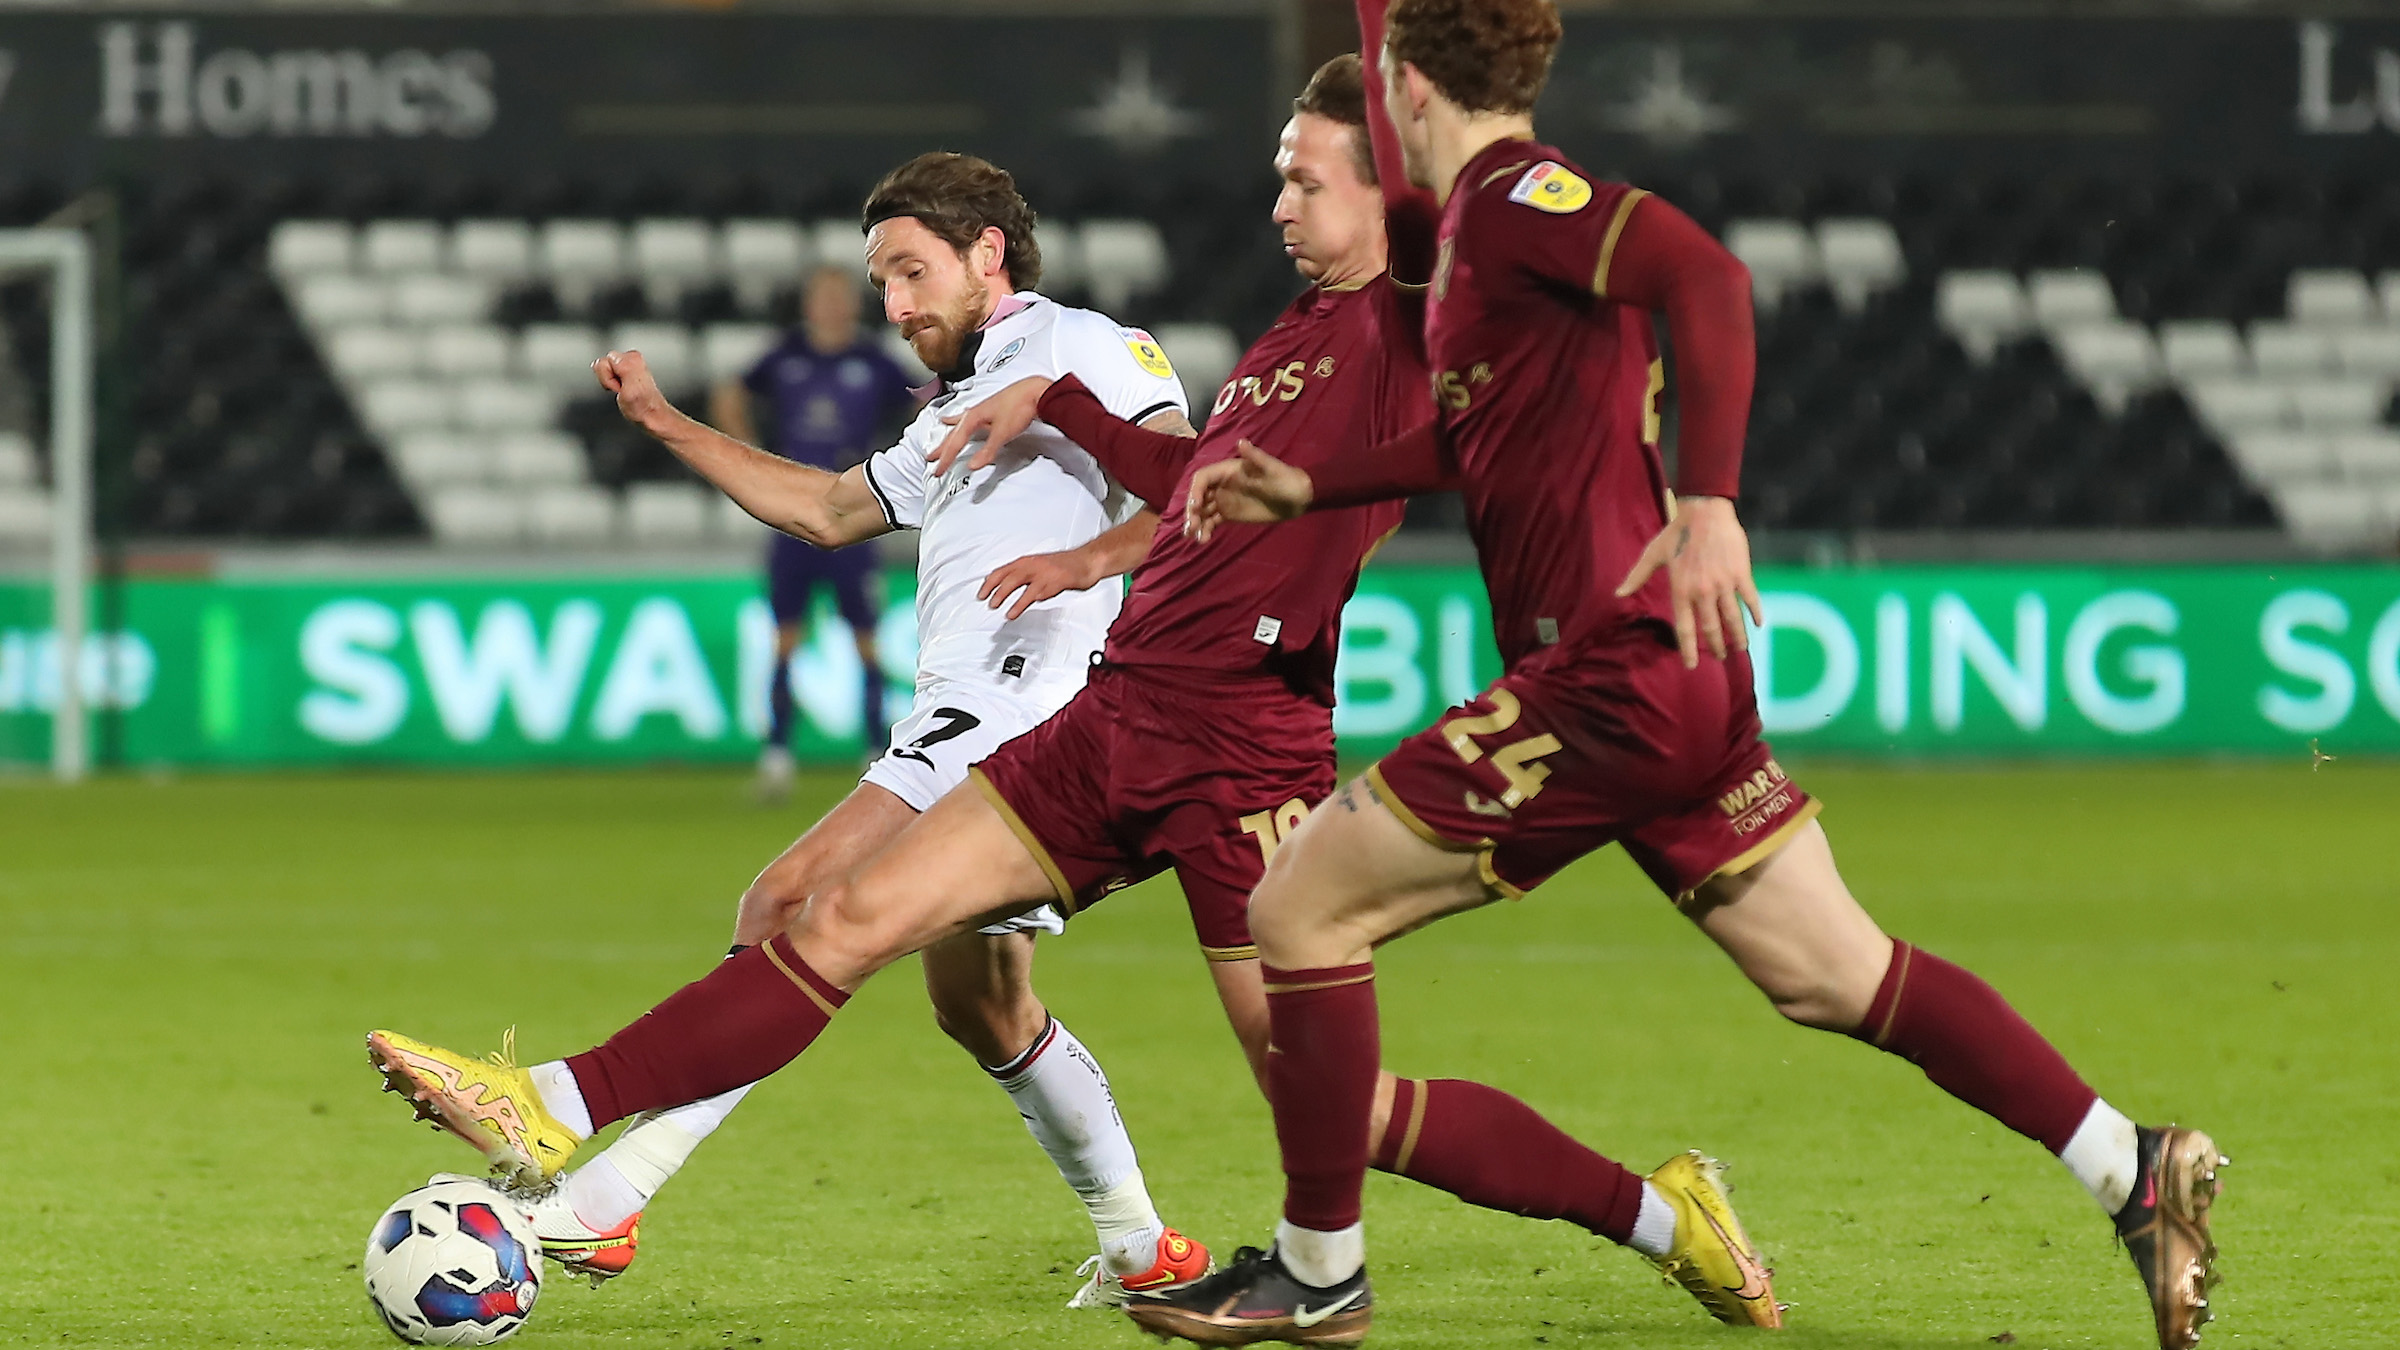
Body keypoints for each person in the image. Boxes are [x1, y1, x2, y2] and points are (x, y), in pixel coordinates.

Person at [366, 54, 1771, 1333]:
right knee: (903, 957)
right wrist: (684, 423)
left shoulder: (1278, 326)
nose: (1279, 201)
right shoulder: (1253, 344)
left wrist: (1088, 531)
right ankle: (577, 1124)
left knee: (1309, 1090)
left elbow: (1205, 464)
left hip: (1193, 732)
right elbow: (922, 504)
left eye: (1306, 176)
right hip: (1110, 721)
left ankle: (1650, 1216)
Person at [1134, 2, 2226, 1347]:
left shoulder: (1526, 200)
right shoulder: (1472, 237)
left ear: (1405, 89)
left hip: (1608, 677)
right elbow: (1474, 440)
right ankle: (2132, 1162)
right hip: (1675, 681)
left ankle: (1318, 1270)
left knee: (1297, 911)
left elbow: (1707, 276)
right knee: (1835, 971)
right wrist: (1312, 478)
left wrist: (1708, 500)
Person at [472, 151, 1218, 1307]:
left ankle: (607, 1202)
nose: (897, 306)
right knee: (983, 1005)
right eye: (882, 283)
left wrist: (1086, 559)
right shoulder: (958, 404)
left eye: (912, 273)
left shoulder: (1083, 345)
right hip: (973, 711)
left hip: (1020, 710)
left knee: (788, 902)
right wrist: (665, 421)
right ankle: (1143, 1251)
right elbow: (826, 508)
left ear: (989, 253)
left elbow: (1197, 482)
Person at [710, 264, 919, 801]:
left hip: (853, 514)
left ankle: (875, 755)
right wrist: (751, 454)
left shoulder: (873, 361)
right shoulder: (786, 356)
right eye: (821, 297)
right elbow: (729, 394)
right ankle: (777, 757)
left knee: (866, 642)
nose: (829, 306)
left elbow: (923, 404)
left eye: (838, 297)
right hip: (793, 517)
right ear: (809, 304)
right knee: (785, 640)